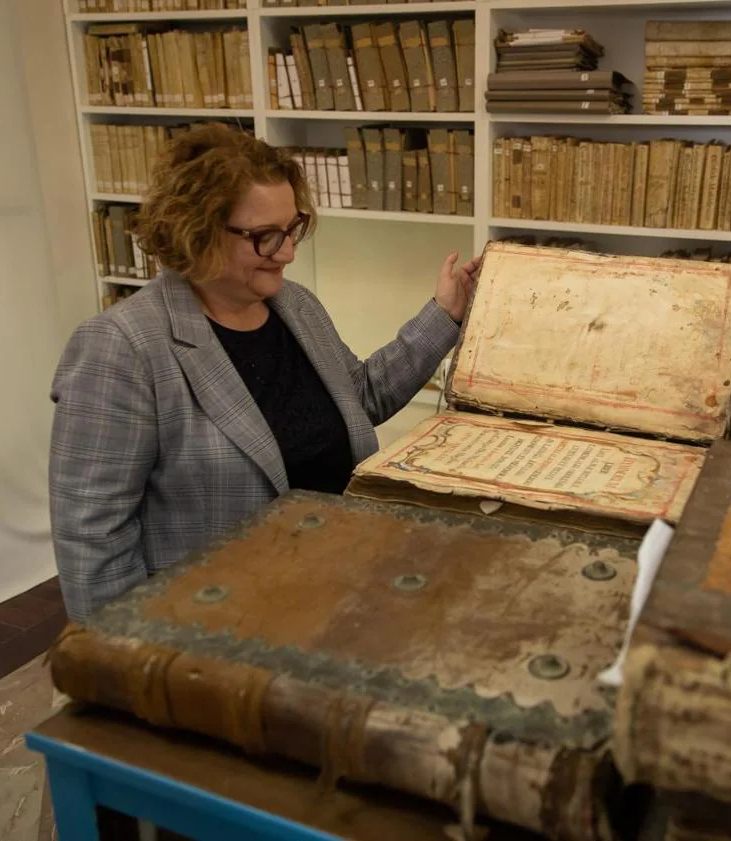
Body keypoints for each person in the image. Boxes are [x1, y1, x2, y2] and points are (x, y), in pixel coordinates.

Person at [48, 122, 481, 621]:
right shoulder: (120, 348)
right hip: (206, 624)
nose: (289, 252)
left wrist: (445, 314)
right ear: (198, 232)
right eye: (264, 237)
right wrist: (122, 662)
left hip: (329, 590)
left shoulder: (294, 306)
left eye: (292, 227)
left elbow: (360, 398)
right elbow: (91, 537)